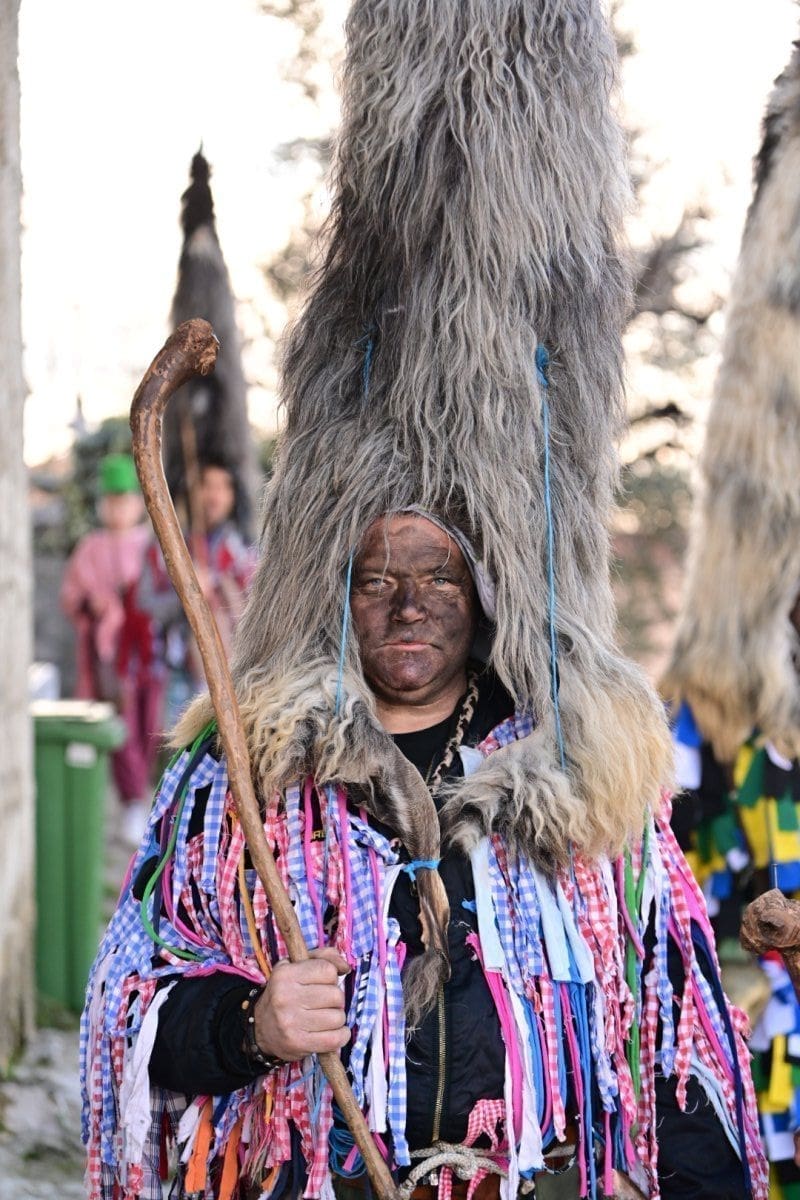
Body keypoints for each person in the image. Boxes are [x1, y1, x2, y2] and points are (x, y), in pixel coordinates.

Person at [81, 2, 767, 1198]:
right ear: (335, 591)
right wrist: (249, 1025)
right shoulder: (244, 783)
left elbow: (672, 1053)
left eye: (437, 575)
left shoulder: (581, 789)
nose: (406, 604)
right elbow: (127, 1008)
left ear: (485, 592)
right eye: (376, 577)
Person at [60, 452, 163, 844]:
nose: (118, 509)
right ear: (103, 505)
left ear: (138, 503)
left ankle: (140, 796)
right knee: (122, 724)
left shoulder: (152, 544)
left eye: (125, 501)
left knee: (150, 725)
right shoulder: (90, 547)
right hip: (110, 659)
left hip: (148, 655)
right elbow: (72, 596)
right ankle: (131, 801)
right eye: (112, 501)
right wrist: (97, 606)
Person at [137, 456, 255, 727]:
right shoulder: (162, 548)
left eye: (222, 486)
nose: (213, 495)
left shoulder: (245, 550)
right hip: (174, 671)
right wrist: (186, 595)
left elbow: (255, 613)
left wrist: (220, 588)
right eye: (205, 485)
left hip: (234, 675)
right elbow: (145, 604)